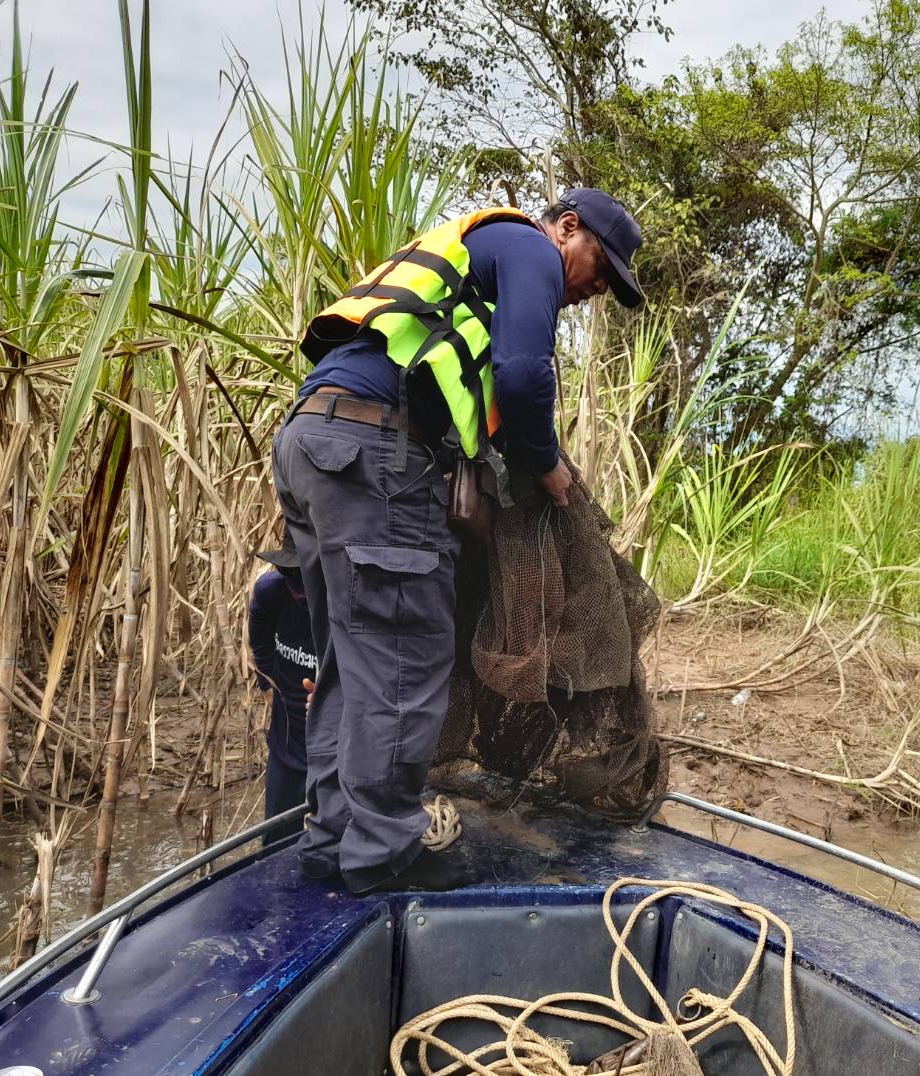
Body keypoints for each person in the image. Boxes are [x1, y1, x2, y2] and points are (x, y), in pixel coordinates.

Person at [271, 188, 645, 895]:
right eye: (601, 266)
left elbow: (472, 391)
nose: (597, 289)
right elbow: (523, 374)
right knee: (404, 660)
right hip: (373, 451)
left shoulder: (471, 263)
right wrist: (548, 463)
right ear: (567, 228)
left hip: (311, 444)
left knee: (351, 666)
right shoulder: (527, 246)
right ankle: (383, 852)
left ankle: (333, 841)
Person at [248, 533, 315, 844]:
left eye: (306, 574)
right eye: (289, 571)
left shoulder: (344, 606)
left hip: (333, 750)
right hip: (286, 745)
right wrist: (268, 680)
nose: (297, 585)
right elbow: (259, 630)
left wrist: (333, 701)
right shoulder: (270, 592)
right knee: (276, 840)